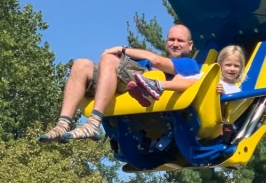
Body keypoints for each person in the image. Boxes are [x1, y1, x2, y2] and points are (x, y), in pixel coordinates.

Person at [39, 24, 199, 142]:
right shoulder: (146, 60)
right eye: (171, 39)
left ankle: (93, 123)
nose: (175, 44)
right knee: (81, 64)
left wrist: (121, 49)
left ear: (190, 45)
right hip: (120, 85)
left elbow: (156, 60)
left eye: (180, 41)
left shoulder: (189, 65)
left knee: (109, 59)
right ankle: (62, 124)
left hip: (145, 88)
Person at [128, 44, 246, 105]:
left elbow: (231, 113)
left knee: (194, 82)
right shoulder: (210, 76)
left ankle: (158, 85)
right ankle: (147, 93)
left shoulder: (235, 90)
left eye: (236, 66)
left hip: (203, 110)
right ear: (220, 64)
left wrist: (223, 95)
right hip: (187, 97)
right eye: (228, 65)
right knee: (179, 77)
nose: (232, 69)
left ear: (241, 68)